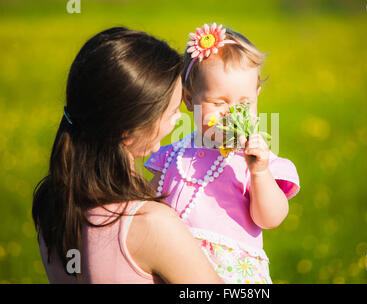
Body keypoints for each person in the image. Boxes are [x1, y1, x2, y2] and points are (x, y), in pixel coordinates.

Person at [32, 27, 223, 284]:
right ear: (127, 133)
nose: (180, 118)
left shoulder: (53, 206)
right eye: (173, 111)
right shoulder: (151, 225)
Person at [144, 23, 300, 284]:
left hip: (235, 274)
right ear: (189, 100)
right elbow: (147, 205)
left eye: (244, 103)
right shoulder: (172, 155)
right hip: (175, 269)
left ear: (257, 96)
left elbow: (271, 218)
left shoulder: (257, 160)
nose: (233, 113)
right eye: (219, 103)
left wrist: (259, 173)